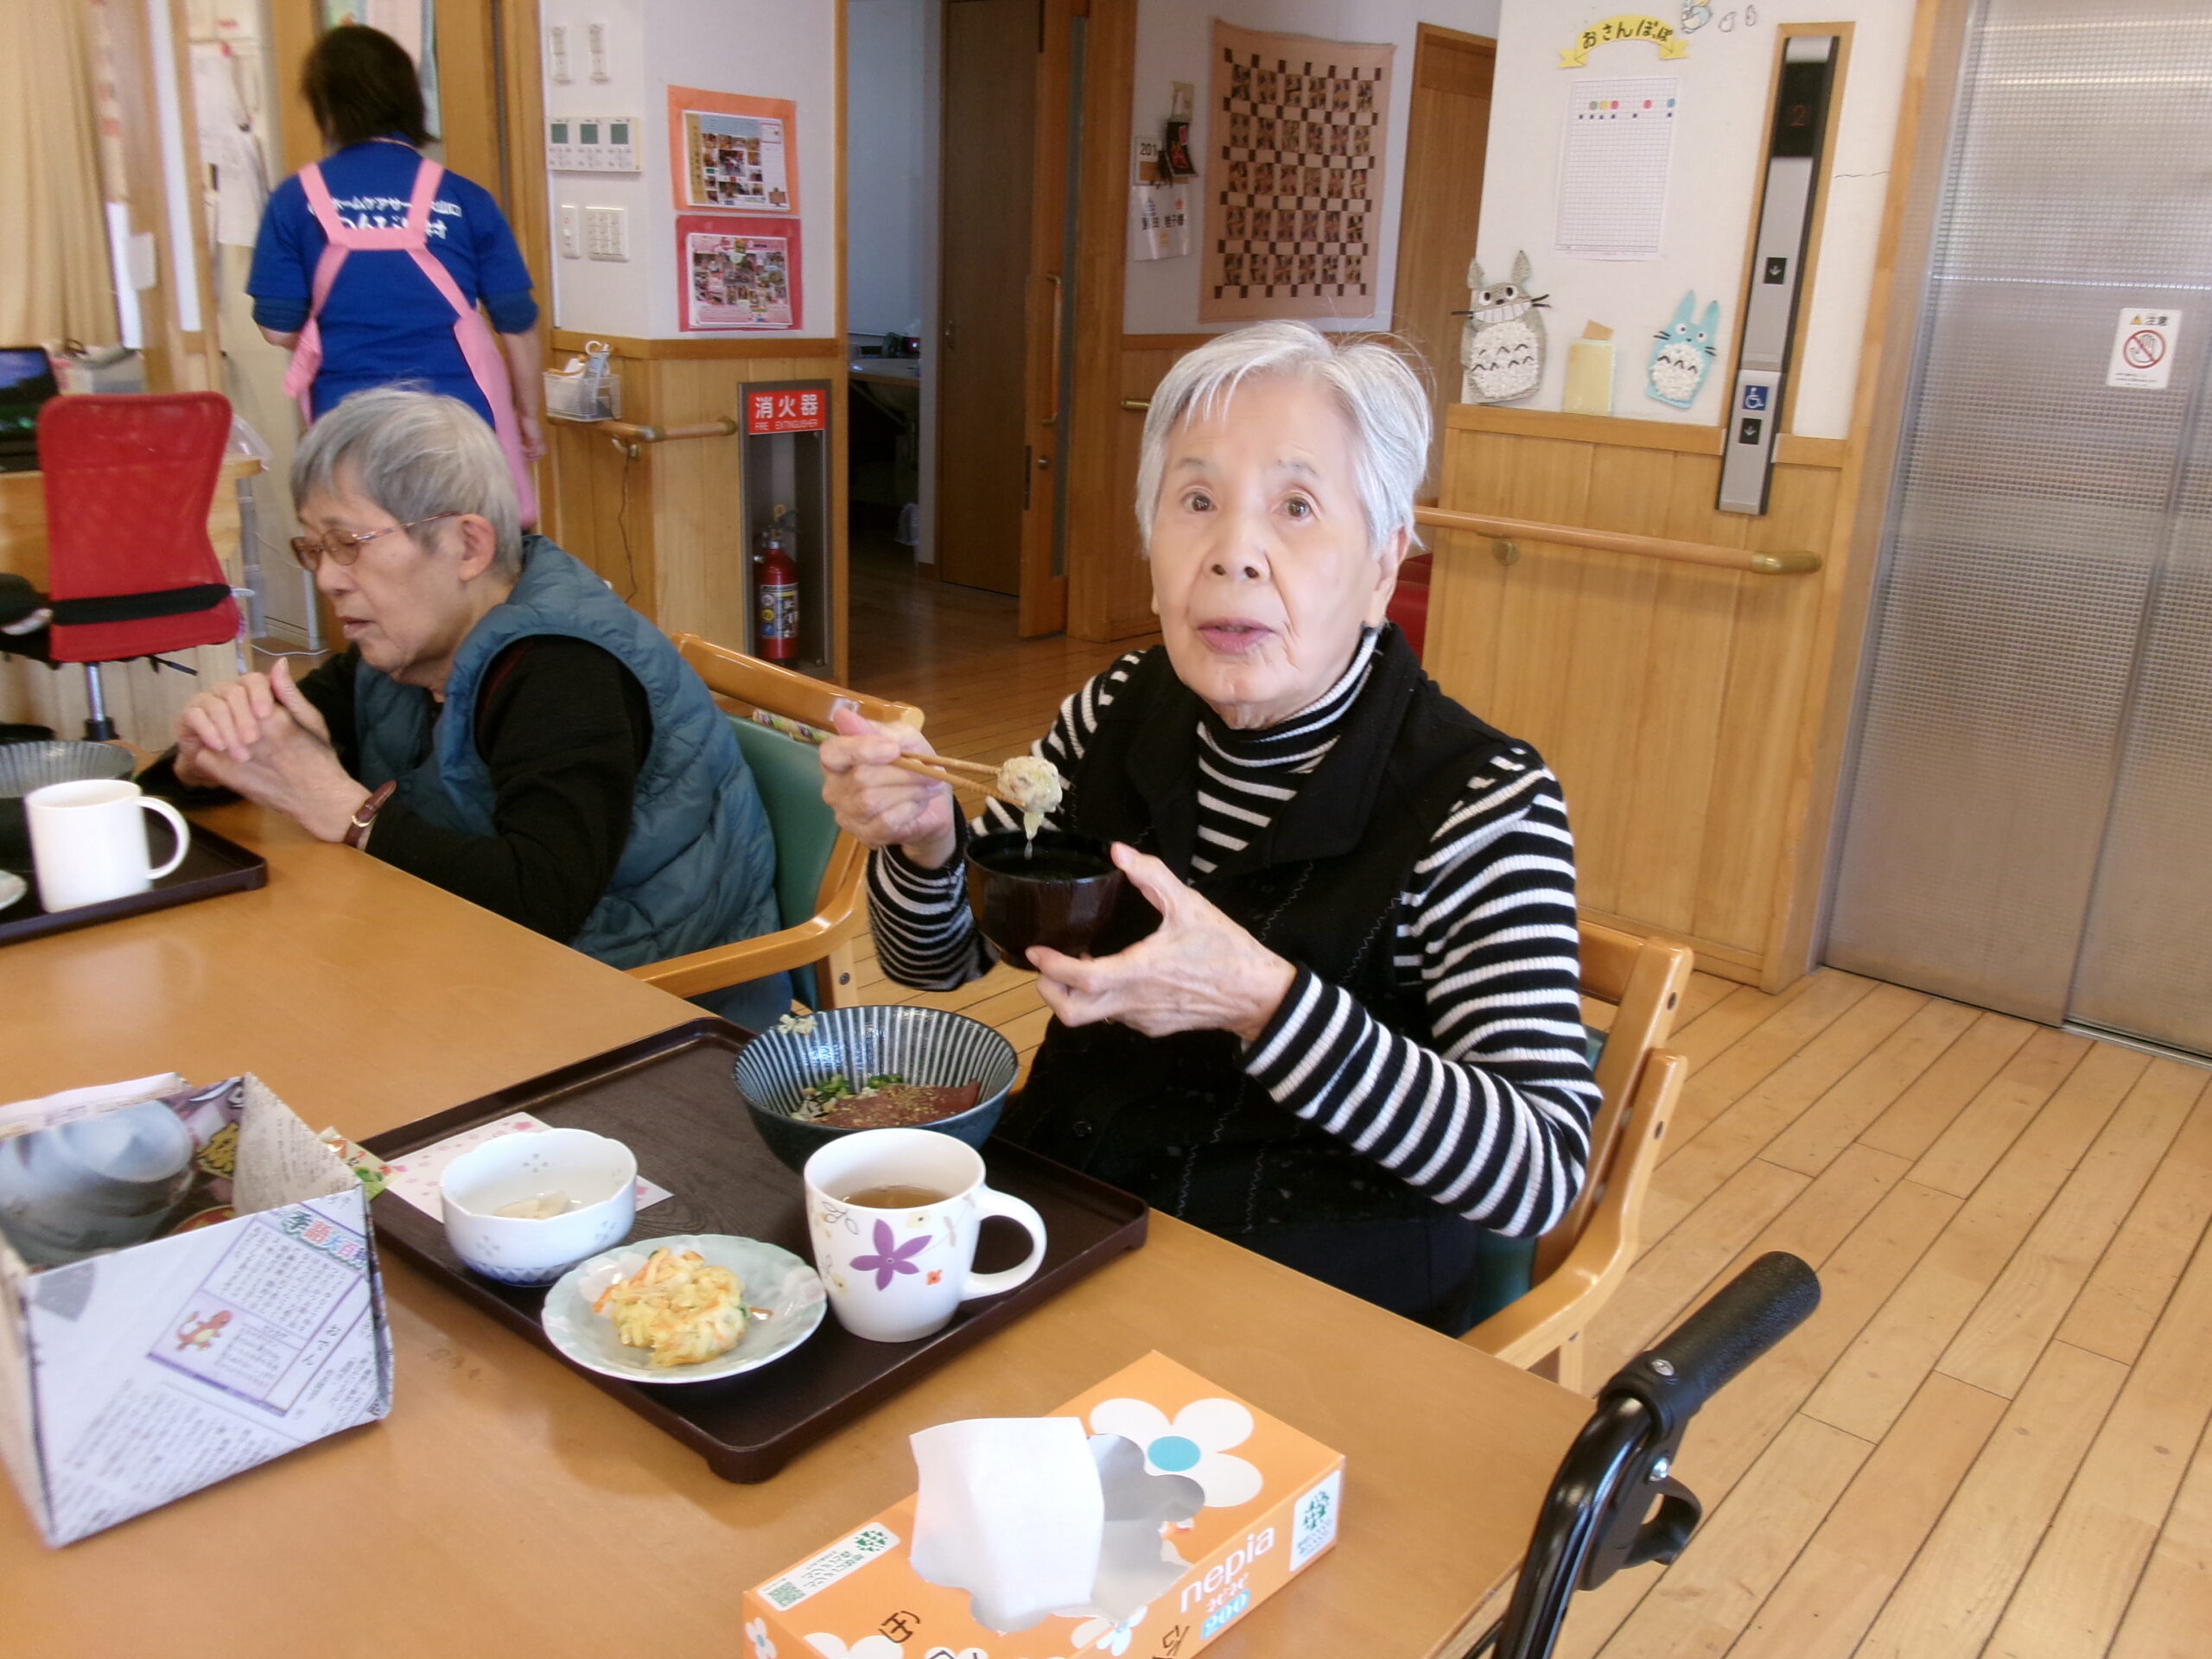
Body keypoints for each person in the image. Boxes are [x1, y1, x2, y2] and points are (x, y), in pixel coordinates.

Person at [821, 321, 1599, 1335]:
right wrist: (927, 846)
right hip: (1062, 1228)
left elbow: (1537, 1174)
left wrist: (1263, 1004)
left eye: (1296, 507)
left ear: (1381, 566)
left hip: (1314, 1312)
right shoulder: (1115, 710)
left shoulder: (1483, 801)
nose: (1234, 554)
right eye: (1196, 502)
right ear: (1152, 554)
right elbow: (936, 963)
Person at [165, 388, 789, 1028]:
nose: (328, 578)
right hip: (475, 967)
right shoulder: (400, 651)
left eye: (349, 542)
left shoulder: (564, 668)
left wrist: (344, 810)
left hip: (650, 1004)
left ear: (467, 546)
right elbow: (182, 789)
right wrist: (206, 758)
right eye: (315, 549)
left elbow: (542, 898)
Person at [247, 24, 543, 520]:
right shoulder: (463, 197)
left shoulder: (295, 199)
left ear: (326, 105)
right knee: (462, 551)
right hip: (459, 425)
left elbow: (277, 329)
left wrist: (347, 322)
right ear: (409, 99)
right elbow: (517, 324)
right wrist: (528, 413)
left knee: (369, 553)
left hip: (348, 427)